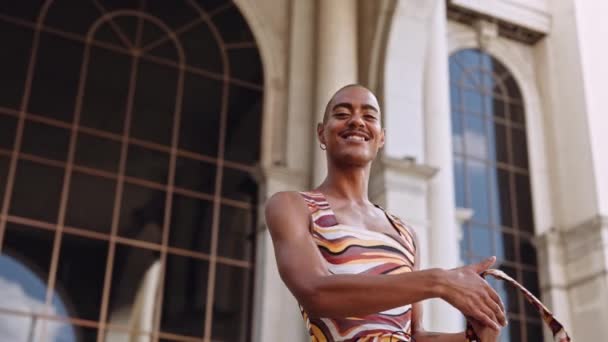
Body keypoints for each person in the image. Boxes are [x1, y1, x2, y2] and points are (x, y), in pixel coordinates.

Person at [265, 84, 507, 341]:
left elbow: (415, 335)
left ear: (381, 137)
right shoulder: (293, 206)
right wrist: (440, 282)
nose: (357, 121)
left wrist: (475, 335)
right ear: (321, 133)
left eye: (369, 116)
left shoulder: (405, 234)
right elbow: (316, 292)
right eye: (342, 114)